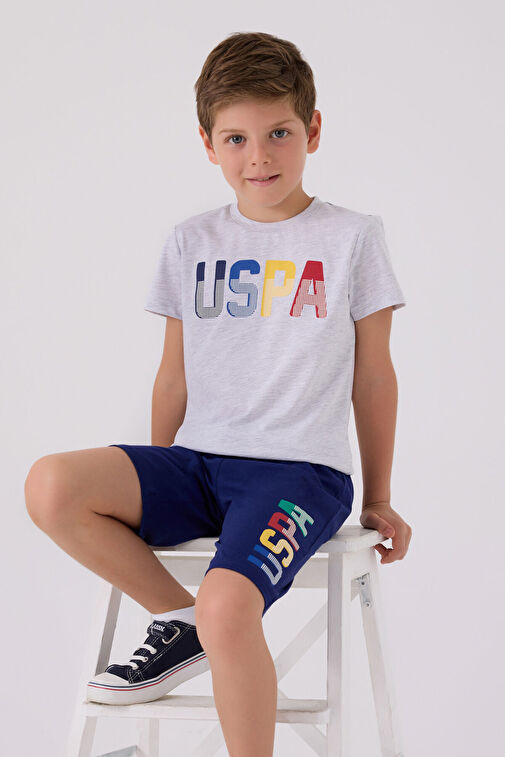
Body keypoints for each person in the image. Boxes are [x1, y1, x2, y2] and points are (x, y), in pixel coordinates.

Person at [24, 30, 412, 757]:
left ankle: (210, 636)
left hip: (300, 473)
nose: (258, 157)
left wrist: (380, 495)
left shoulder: (352, 237)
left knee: (229, 603)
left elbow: (373, 376)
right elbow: (173, 374)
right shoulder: (190, 240)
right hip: (199, 464)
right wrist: (155, 482)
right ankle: (181, 622)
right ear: (208, 144)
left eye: (277, 133)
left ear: (312, 131)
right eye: (236, 139)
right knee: (50, 483)